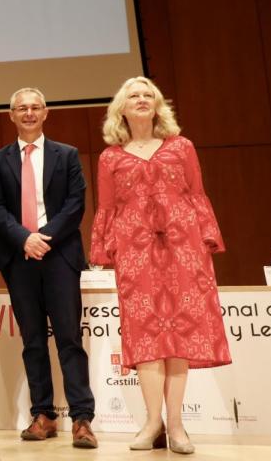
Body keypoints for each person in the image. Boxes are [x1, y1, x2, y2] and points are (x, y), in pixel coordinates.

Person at [90, 76, 231, 455]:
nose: (141, 99)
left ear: (157, 104)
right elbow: (106, 207)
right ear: (121, 107)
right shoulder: (110, 157)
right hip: (135, 253)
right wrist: (103, 249)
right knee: (146, 337)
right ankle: (153, 423)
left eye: (147, 94)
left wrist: (206, 237)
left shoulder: (181, 146)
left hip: (183, 249)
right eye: (133, 95)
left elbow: (196, 192)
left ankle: (178, 425)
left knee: (180, 334)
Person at [0, 87, 97, 448]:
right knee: (33, 341)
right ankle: (44, 414)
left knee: (69, 339)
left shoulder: (67, 155)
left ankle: (82, 418)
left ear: (46, 113)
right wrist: (25, 239)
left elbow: (76, 204)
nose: (29, 113)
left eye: (35, 107)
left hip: (60, 255)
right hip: (19, 259)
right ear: (11, 115)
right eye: (22, 108)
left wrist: (43, 237)